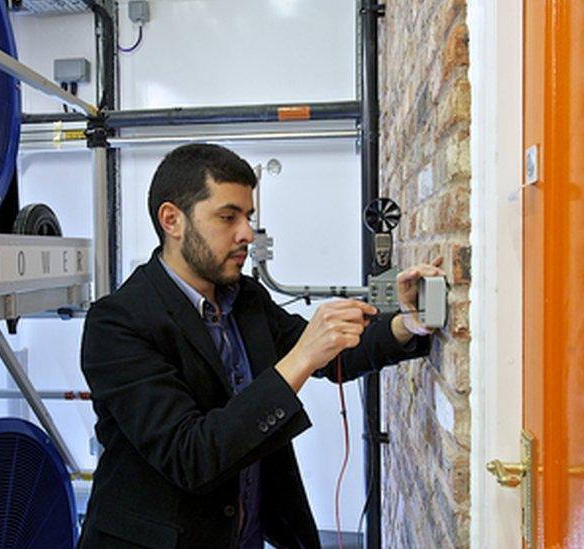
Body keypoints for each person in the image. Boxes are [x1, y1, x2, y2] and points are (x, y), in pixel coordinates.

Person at [78, 143, 444, 548]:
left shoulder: (245, 298)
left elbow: (334, 353)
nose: (247, 233)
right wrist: (300, 358)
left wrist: (407, 324)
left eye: (248, 216)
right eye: (227, 217)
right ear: (172, 220)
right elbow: (190, 455)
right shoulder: (117, 323)